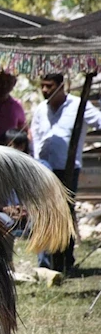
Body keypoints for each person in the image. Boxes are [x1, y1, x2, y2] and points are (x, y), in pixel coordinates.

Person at [31, 72, 101, 272]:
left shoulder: (79, 106)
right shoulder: (40, 110)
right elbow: (35, 137)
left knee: (64, 213)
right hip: (43, 167)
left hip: (68, 168)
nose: (45, 90)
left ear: (62, 86)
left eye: (49, 86)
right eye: (42, 86)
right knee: (44, 212)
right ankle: (45, 264)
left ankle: (64, 260)